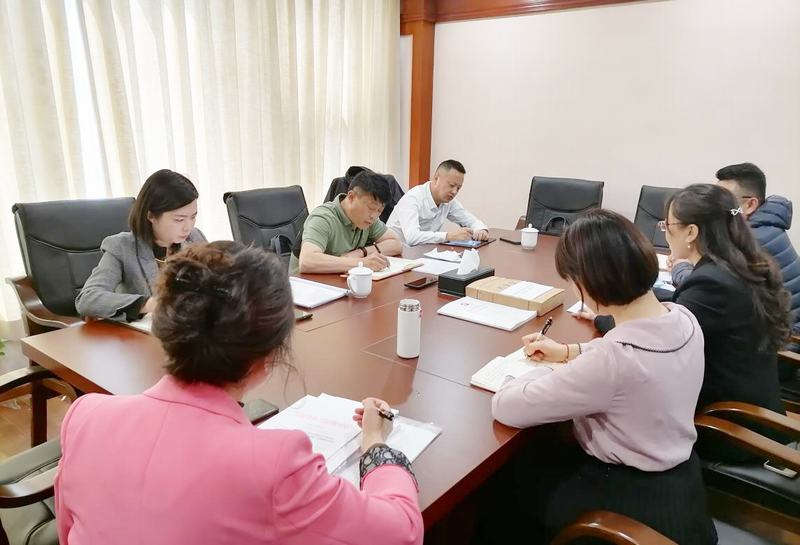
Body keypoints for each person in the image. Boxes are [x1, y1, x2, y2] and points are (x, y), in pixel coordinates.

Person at [55, 241, 423, 545]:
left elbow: (69, 532)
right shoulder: (273, 463)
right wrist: (375, 444)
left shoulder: (85, 415)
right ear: (269, 354)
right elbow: (402, 531)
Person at [490, 209, 716, 544]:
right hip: (683, 488)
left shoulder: (612, 361)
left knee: (501, 486)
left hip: (623, 499)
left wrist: (529, 373)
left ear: (587, 282)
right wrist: (569, 352)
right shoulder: (683, 318)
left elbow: (506, 407)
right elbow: (632, 353)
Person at [586, 184, 792, 460]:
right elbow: (681, 306)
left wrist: (605, 317)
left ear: (691, 232)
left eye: (667, 225)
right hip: (756, 406)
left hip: (730, 426)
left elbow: (656, 339)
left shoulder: (712, 283)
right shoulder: (736, 265)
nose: (665, 232)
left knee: (605, 414)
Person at [670, 163, 799, 341]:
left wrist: (680, 267)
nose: (715, 208)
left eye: (725, 201)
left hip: (784, 342)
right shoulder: (765, 227)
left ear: (750, 204)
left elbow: (710, 289)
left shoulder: (752, 240)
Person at [75, 169, 206, 321]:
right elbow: (87, 299)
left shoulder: (195, 238)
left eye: (193, 217)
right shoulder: (122, 247)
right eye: (179, 219)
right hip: (143, 331)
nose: (188, 227)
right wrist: (149, 304)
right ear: (151, 215)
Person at [291, 170, 402, 275]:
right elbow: (307, 261)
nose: (374, 216)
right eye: (371, 208)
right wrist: (362, 263)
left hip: (339, 279)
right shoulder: (323, 218)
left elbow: (395, 244)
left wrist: (361, 252)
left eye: (379, 210)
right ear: (351, 197)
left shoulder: (368, 219)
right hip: (307, 284)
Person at [386, 160, 488, 246]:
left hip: (424, 252)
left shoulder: (449, 202)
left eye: (458, 188)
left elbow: (470, 220)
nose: (454, 192)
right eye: (451, 185)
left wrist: (481, 230)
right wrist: (448, 236)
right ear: (436, 178)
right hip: (399, 254)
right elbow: (412, 238)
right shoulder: (413, 198)